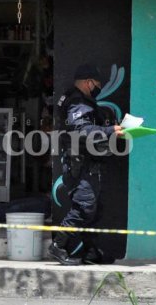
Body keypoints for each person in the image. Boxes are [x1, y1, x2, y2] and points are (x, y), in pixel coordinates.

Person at [48, 63, 124, 265]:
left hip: (88, 164)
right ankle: (58, 246)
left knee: (94, 210)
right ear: (88, 82)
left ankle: (90, 252)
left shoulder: (83, 101)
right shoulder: (77, 103)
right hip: (79, 164)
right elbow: (81, 131)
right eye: (96, 83)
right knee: (84, 207)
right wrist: (110, 131)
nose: (98, 87)